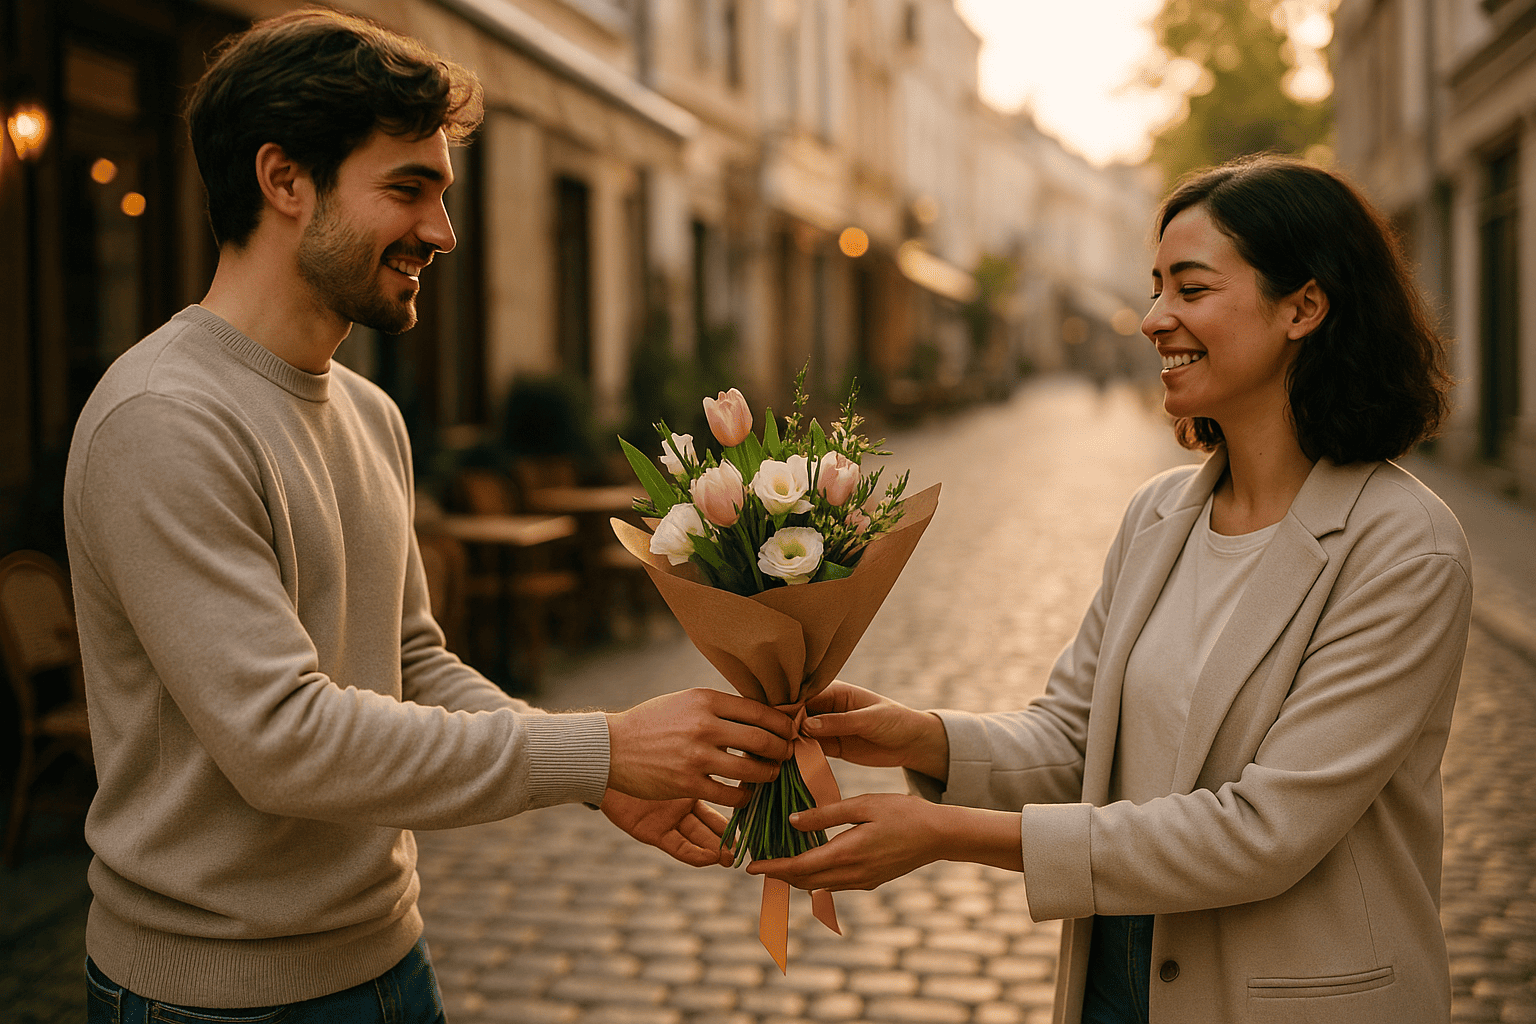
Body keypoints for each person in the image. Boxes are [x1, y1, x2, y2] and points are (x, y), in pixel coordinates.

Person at [63, 9, 793, 1022]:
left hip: (390, 960)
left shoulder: (369, 411)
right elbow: (281, 739)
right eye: (408, 189)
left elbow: (411, 663)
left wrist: (591, 775)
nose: (443, 232)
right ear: (284, 180)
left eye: (443, 195)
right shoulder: (163, 419)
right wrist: (604, 748)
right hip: (215, 997)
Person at [751, 155, 1472, 1023]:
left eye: (1192, 289)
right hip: (1116, 990)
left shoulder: (1403, 547)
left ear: (1303, 307)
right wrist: (918, 738)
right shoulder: (1160, 515)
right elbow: (1078, 739)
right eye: (1156, 286)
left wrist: (950, 835)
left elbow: (1263, 831)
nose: (1154, 318)